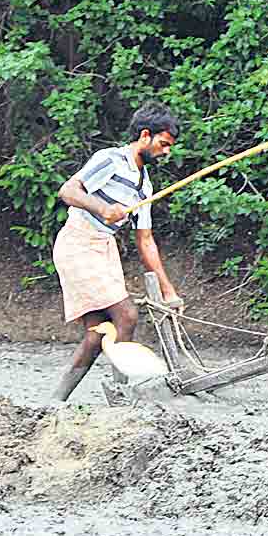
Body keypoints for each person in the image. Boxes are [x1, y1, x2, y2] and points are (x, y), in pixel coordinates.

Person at [50, 101, 183, 402]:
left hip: (104, 248)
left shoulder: (144, 187)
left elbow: (145, 240)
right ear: (145, 135)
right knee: (126, 316)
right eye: (163, 144)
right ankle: (121, 397)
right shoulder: (110, 160)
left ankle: (55, 401)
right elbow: (68, 191)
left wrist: (168, 290)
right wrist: (103, 208)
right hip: (78, 242)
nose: (166, 152)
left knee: (98, 333)